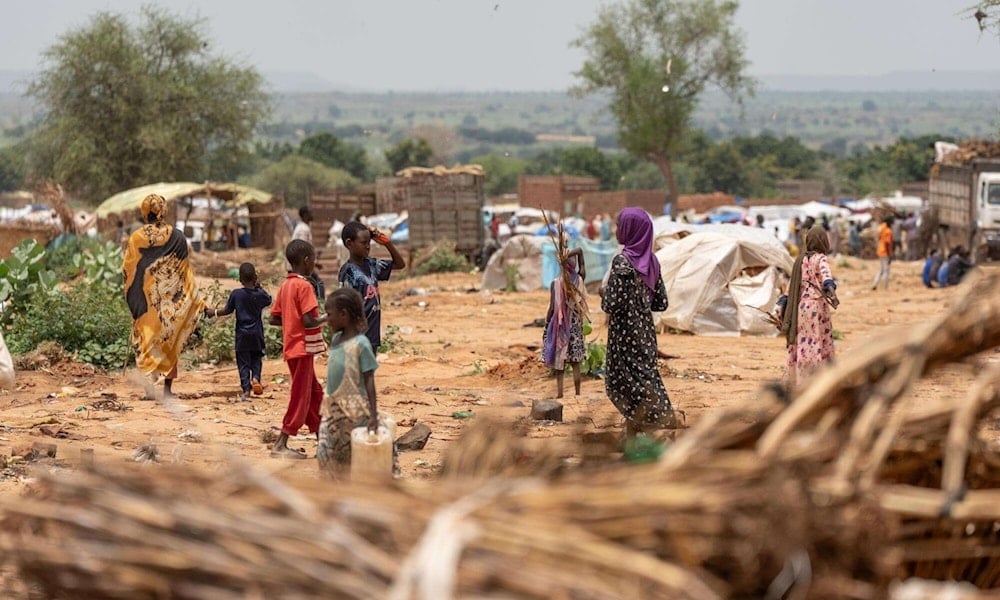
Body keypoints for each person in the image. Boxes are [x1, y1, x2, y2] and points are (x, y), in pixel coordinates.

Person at [601, 208, 675, 436]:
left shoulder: (622, 262)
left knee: (622, 380)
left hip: (624, 334)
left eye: (618, 226)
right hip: (645, 332)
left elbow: (611, 304)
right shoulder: (652, 262)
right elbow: (660, 303)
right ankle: (640, 427)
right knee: (645, 376)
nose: (616, 231)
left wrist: (605, 293)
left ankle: (662, 418)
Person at [123, 193, 204, 400]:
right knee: (169, 342)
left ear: (144, 211)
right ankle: (167, 390)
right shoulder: (177, 236)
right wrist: (191, 298)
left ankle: (149, 391)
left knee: (146, 341)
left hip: (146, 302)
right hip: (170, 302)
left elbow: (128, 269)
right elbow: (185, 270)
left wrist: (133, 298)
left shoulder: (136, 237)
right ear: (164, 210)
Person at [317, 288, 393, 476]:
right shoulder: (335, 340)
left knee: (354, 455)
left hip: (356, 411)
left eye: (329, 314)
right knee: (326, 453)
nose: (326, 319)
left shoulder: (361, 344)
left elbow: (369, 381)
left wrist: (374, 416)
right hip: (333, 408)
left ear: (344, 315)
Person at [269, 239, 326, 459]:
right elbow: (309, 321)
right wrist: (328, 317)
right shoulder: (304, 286)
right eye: (313, 259)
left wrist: (291, 321)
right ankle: (281, 442)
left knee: (314, 392)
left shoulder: (286, 285)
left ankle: (323, 439)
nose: (314, 264)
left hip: (293, 347)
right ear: (306, 260)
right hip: (303, 348)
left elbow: (275, 318)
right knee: (301, 396)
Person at [778, 226, 839, 389]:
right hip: (817, 307)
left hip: (801, 307)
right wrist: (831, 290)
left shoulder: (801, 260)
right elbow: (827, 278)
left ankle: (799, 380)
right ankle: (818, 380)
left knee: (804, 342)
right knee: (819, 342)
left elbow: (791, 286)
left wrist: (782, 303)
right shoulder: (821, 259)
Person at [203, 262, 272, 402]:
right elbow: (269, 299)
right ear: (255, 277)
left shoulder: (236, 294)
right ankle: (256, 378)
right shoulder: (259, 295)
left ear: (240, 279)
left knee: (243, 363)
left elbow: (227, 310)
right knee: (256, 358)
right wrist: (259, 286)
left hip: (242, 335)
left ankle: (246, 390)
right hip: (257, 333)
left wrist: (213, 312)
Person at [338, 221, 406, 352]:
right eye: (363, 243)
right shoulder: (348, 272)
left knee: (369, 371)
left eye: (369, 242)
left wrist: (387, 243)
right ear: (349, 244)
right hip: (357, 336)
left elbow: (400, 264)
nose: (368, 246)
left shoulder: (372, 265)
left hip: (372, 333)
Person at [543, 246, 588, 399]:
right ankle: (577, 393)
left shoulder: (556, 283)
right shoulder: (580, 279)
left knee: (559, 360)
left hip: (560, 325)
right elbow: (581, 251)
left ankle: (560, 393)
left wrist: (547, 323)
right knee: (576, 362)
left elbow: (551, 307)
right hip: (575, 325)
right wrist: (572, 253)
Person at [871, 215, 894, 290]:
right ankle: (885, 287)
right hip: (885, 252)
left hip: (880, 250)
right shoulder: (888, 231)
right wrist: (889, 255)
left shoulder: (882, 227)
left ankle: (875, 284)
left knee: (881, 269)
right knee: (886, 270)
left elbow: (878, 235)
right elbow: (887, 243)